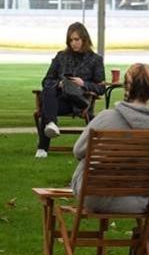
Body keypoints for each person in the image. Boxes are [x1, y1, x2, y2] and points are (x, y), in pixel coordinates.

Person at [71, 63, 149, 213]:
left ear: (126, 87)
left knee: (88, 158)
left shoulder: (105, 118)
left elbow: (78, 151)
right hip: (138, 202)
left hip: (93, 197)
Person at [37, 22, 106, 158]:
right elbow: (46, 80)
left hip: (79, 102)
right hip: (60, 100)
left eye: (76, 40)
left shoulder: (95, 60)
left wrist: (83, 83)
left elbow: (101, 88)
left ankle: (42, 148)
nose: (73, 43)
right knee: (49, 88)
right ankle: (51, 124)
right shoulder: (61, 56)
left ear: (84, 39)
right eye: (70, 40)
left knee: (46, 106)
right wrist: (60, 84)